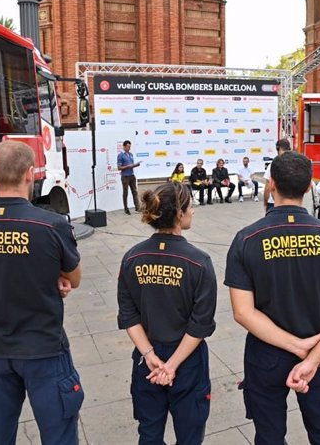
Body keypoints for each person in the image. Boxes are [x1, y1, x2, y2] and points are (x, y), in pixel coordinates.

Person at [225, 151, 320, 445]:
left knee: (269, 434)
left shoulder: (246, 239)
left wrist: (295, 347)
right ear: (310, 186)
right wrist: (311, 356)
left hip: (266, 354)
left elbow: (243, 312)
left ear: (271, 184)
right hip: (319, 352)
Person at [0, 141, 84, 444]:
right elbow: (75, 277)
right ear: (30, 174)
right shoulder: (51, 225)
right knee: (59, 435)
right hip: (43, 348)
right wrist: (51, 277)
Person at [118, 182, 217, 444]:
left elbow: (128, 314)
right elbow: (200, 323)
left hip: (146, 361)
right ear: (179, 214)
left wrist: (150, 355)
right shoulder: (199, 262)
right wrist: (171, 365)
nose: (193, 212)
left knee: (149, 434)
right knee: (190, 434)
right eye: (191, 206)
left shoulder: (131, 258)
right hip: (187, 361)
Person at [263, 138, 291, 211]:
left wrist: (265, 202)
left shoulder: (273, 165)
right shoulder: (295, 164)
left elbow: (267, 188)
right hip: (291, 204)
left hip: (274, 204)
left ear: (278, 148)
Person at [118, 139, 141, 215]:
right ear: (124, 146)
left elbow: (131, 165)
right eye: (128, 147)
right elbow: (119, 167)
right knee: (125, 193)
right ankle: (126, 209)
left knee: (135, 191)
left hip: (132, 175)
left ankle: (137, 207)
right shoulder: (121, 155)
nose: (129, 148)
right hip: (125, 177)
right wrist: (128, 166)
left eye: (130, 147)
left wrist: (135, 165)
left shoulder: (131, 154)